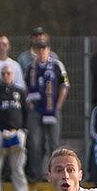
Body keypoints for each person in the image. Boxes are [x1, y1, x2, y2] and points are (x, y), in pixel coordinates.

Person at [25, 36, 70, 182]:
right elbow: (25, 87)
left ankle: (55, 174)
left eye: (43, 48)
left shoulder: (57, 65)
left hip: (52, 108)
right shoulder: (31, 67)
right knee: (35, 143)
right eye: (38, 48)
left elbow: (65, 86)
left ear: (49, 50)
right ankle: (36, 173)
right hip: (36, 110)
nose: (41, 51)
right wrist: (30, 103)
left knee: (54, 143)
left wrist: (58, 106)